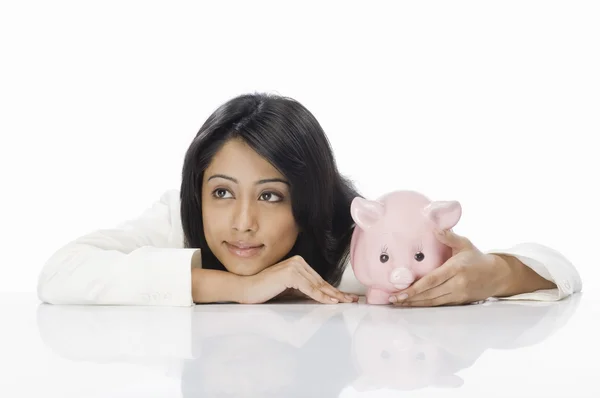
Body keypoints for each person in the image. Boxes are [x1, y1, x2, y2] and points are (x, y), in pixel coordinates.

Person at [36, 93, 582, 307]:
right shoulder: (179, 223)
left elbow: (562, 271)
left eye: (271, 196)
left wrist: (496, 274)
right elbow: (61, 274)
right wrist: (238, 288)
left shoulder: (358, 251)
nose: (242, 222)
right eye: (222, 192)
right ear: (197, 191)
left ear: (310, 196)